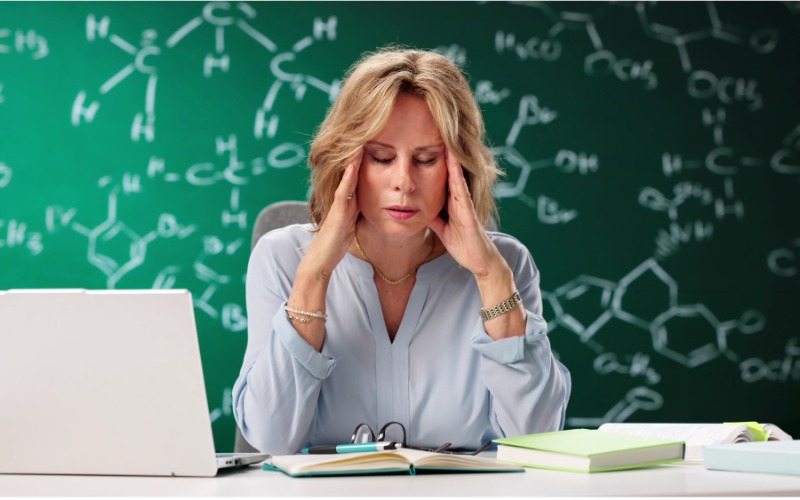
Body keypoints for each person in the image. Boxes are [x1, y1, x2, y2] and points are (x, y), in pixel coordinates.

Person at [233, 47, 570, 455]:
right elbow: (272, 439)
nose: (404, 182)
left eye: (426, 159)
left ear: (458, 169)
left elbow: (536, 439)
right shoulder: (282, 257)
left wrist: (492, 280)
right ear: (346, 161)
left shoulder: (507, 265)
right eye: (381, 157)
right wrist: (314, 277)